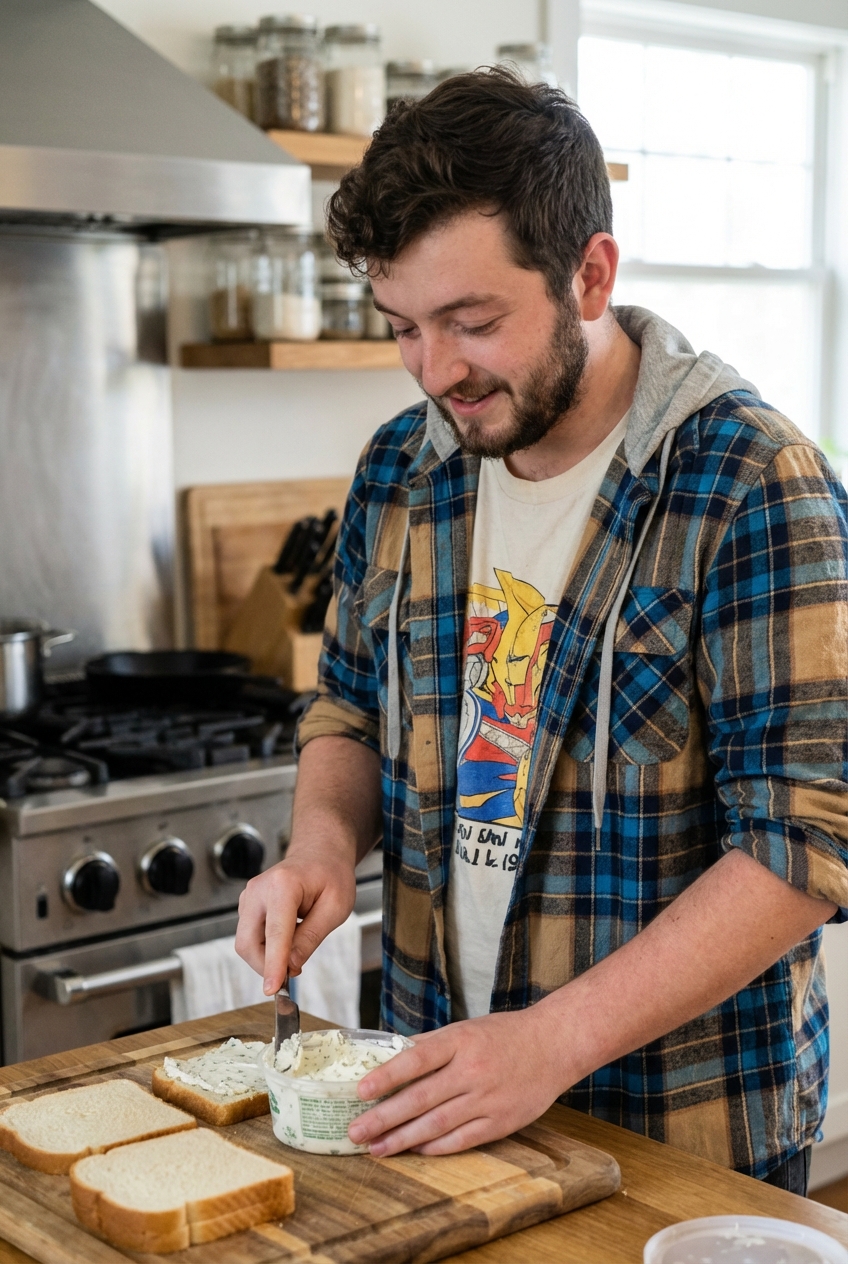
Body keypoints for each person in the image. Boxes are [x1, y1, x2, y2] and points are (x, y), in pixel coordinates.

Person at [236, 68, 848, 1193]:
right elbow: (348, 705)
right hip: (426, 1078)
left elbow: (802, 844)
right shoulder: (402, 466)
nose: (436, 370)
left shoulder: (751, 482)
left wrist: (550, 1042)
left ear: (590, 273)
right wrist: (320, 842)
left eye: (472, 322)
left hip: (672, 1121)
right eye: (404, 327)